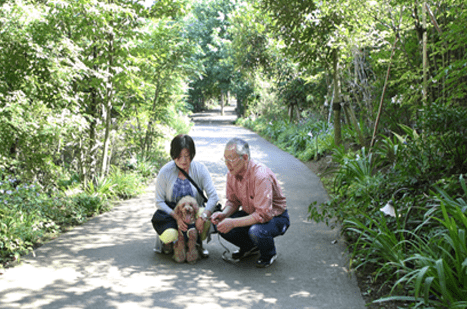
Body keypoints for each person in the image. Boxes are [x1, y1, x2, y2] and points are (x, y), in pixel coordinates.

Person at [211, 138, 290, 268]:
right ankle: (250, 247)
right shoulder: (231, 174)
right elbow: (233, 201)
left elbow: (262, 215)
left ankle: (269, 254)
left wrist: (232, 223)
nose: (227, 164)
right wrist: (223, 214)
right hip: (252, 213)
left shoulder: (260, 176)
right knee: (220, 225)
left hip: (275, 217)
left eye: (231, 159)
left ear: (245, 157)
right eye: (225, 159)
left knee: (256, 231)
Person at [152, 134, 219, 258]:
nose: (183, 160)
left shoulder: (200, 169)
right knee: (170, 234)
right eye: (179, 156)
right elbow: (159, 201)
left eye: (187, 156)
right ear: (173, 155)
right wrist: (177, 217)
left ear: (192, 155)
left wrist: (203, 217)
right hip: (172, 213)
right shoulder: (165, 171)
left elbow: (213, 197)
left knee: (204, 213)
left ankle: (197, 243)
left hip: (193, 213)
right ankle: (170, 242)